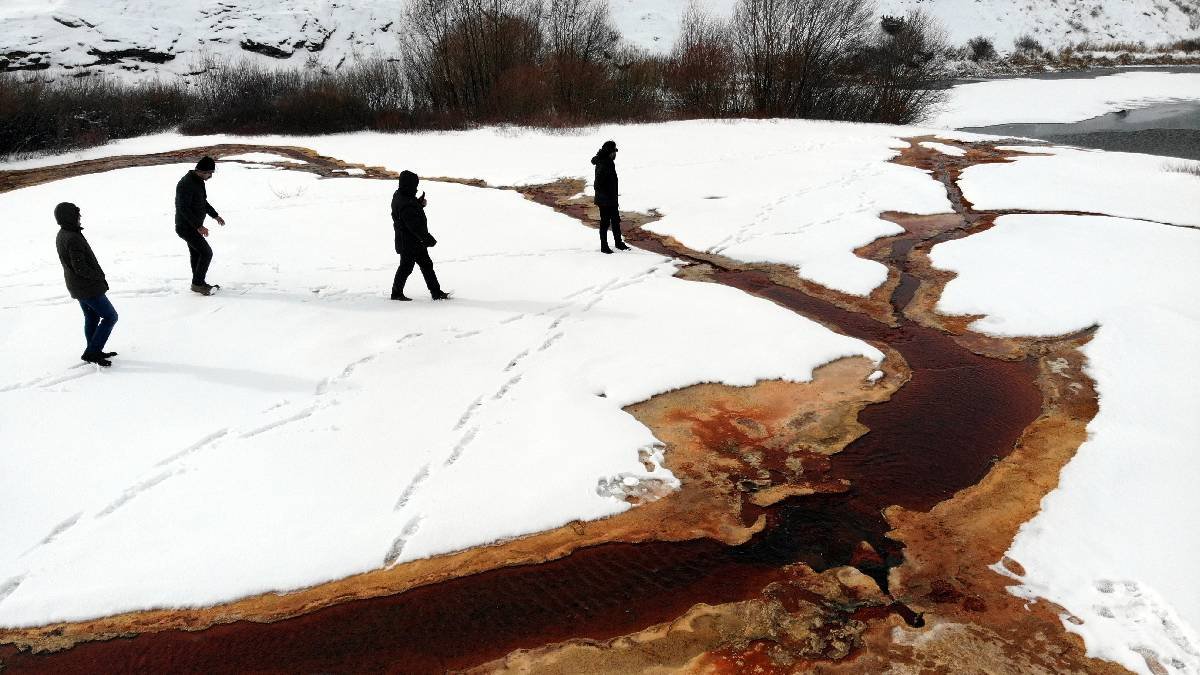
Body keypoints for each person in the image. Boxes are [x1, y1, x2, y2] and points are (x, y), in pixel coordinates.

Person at [54, 202, 118, 367]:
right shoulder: (72, 237)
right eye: (77, 215)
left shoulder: (63, 233)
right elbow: (80, 267)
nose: (80, 218)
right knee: (110, 316)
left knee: (92, 316)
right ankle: (92, 352)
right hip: (88, 287)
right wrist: (98, 276)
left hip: (78, 286)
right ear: (69, 217)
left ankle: (93, 349)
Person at [391, 170, 450, 301]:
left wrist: (418, 204)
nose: (416, 188)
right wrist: (428, 239)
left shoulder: (401, 195)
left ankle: (436, 292)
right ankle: (396, 293)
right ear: (408, 185)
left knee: (426, 265)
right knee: (406, 268)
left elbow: (410, 210)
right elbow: (414, 226)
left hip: (414, 242)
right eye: (414, 185)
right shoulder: (406, 203)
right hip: (409, 243)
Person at [175, 156, 226, 295]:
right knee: (206, 252)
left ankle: (198, 282)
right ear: (202, 171)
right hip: (186, 227)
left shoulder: (198, 181)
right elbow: (182, 208)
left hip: (192, 226)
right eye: (209, 173)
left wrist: (215, 215)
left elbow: (203, 202)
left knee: (197, 253)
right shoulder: (186, 184)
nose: (210, 176)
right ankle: (197, 284)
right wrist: (198, 226)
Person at [591, 140, 629, 254]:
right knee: (605, 223)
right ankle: (604, 246)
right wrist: (607, 196)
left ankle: (618, 243)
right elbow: (597, 184)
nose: (615, 154)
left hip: (610, 199)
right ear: (609, 152)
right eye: (614, 152)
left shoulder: (608, 162)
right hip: (605, 200)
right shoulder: (604, 163)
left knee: (615, 220)